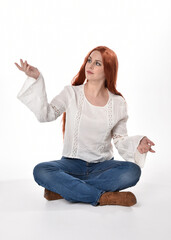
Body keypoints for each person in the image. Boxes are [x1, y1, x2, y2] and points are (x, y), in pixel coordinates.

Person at [15, 46, 155, 207]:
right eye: (89, 60)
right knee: (41, 170)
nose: (90, 66)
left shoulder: (118, 103)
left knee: (132, 171)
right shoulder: (71, 93)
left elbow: (120, 139)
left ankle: (65, 189)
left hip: (102, 166)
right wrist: (37, 79)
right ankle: (103, 197)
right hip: (71, 164)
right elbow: (45, 114)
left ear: (108, 69)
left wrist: (139, 143)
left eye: (97, 63)